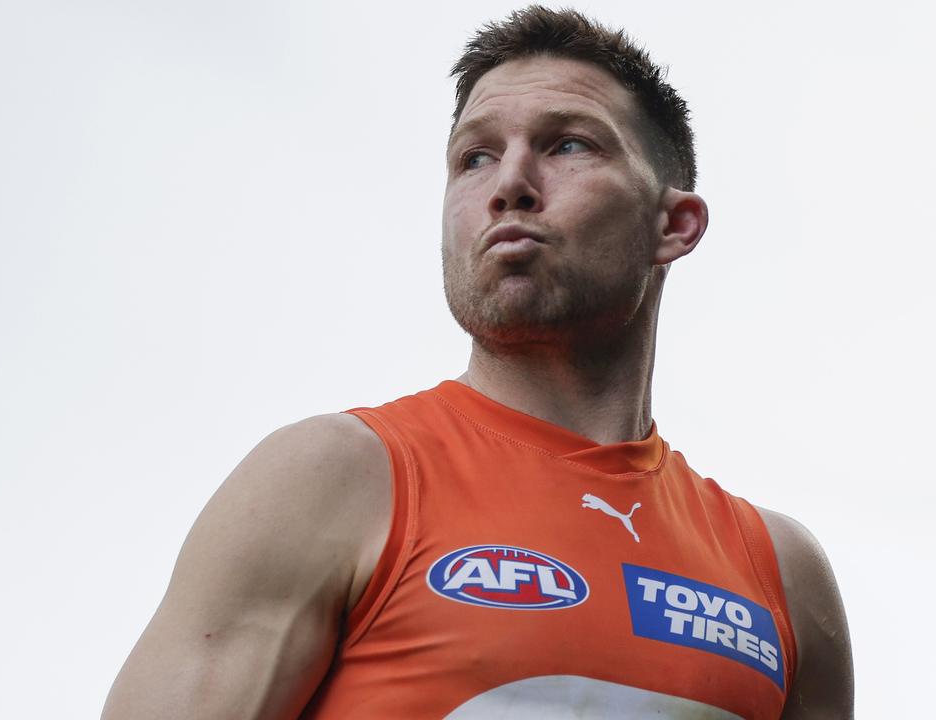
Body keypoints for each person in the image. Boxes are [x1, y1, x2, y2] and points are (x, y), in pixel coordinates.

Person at [102, 6, 853, 719]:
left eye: (568, 145)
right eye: (475, 157)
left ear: (674, 224)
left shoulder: (781, 574)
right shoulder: (332, 480)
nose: (509, 185)